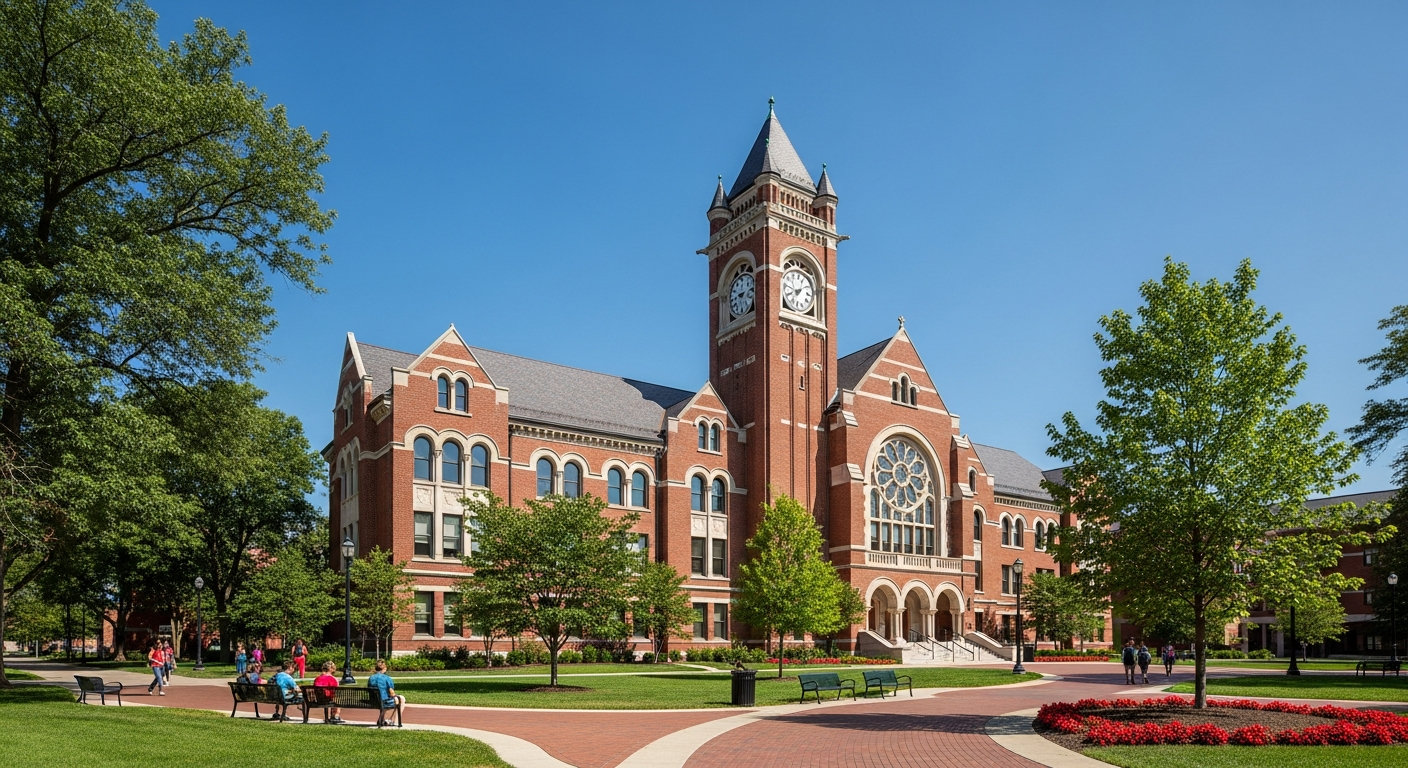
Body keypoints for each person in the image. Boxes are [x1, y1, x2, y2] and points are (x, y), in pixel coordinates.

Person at [367, 659, 405, 725]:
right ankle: (392, 721)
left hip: (373, 701)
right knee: (401, 698)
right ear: (384, 669)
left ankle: (382, 719)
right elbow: (392, 693)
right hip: (384, 701)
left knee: (384, 699)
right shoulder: (387, 678)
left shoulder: (371, 678)